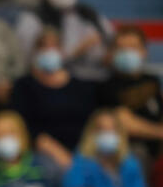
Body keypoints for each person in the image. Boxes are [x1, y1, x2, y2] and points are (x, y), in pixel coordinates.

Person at [8, 26, 99, 172]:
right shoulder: (24, 86)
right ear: (35, 52)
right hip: (43, 151)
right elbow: (21, 124)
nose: (49, 51)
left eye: (54, 46)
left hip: (83, 149)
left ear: (62, 51)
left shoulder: (81, 86)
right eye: (43, 46)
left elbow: (92, 121)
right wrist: (52, 149)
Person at [100, 26, 163, 160]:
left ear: (144, 51)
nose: (127, 52)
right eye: (121, 48)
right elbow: (123, 122)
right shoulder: (106, 86)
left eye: (132, 47)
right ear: (113, 52)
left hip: (159, 145)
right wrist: (162, 133)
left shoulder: (152, 80)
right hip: (129, 148)